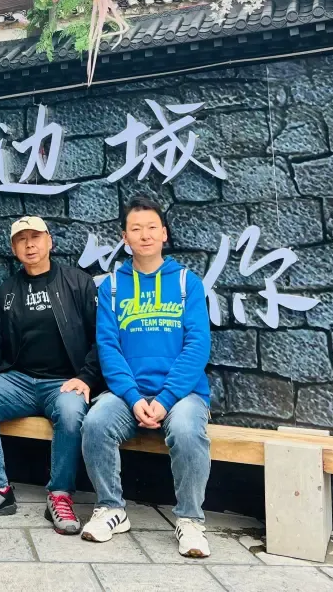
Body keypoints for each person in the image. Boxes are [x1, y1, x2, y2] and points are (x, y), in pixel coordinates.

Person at [79, 196, 213, 558]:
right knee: (95, 422)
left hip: (182, 394)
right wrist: (133, 397)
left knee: (187, 430)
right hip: (129, 394)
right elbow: (108, 347)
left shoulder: (187, 283)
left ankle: (190, 520)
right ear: (125, 238)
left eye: (152, 227)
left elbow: (198, 346)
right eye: (136, 229)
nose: (145, 235)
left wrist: (166, 398)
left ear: (164, 234)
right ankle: (111, 508)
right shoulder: (111, 286)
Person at [0, 216, 100, 535]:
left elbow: (100, 338)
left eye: (35, 237)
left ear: (49, 241)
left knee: (71, 412)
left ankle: (60, 495)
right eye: (21, 239)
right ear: (13, 248)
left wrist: (87, 377)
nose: (29, 245)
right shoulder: (8, 289)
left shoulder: (78, 283)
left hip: (64, 381)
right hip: (19, 379)